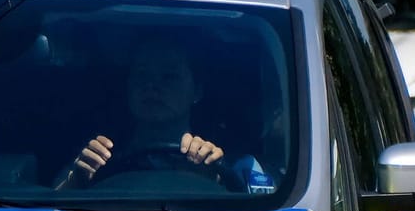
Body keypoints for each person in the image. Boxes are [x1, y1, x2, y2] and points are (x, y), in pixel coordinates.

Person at [61, 37, 274, 194]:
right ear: (128, 87)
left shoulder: (239, 166)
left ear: (197, 91)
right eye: (142, 75)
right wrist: (78, 180)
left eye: (169, 77)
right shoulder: (95, 158)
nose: (152, 86)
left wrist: (215, 180)